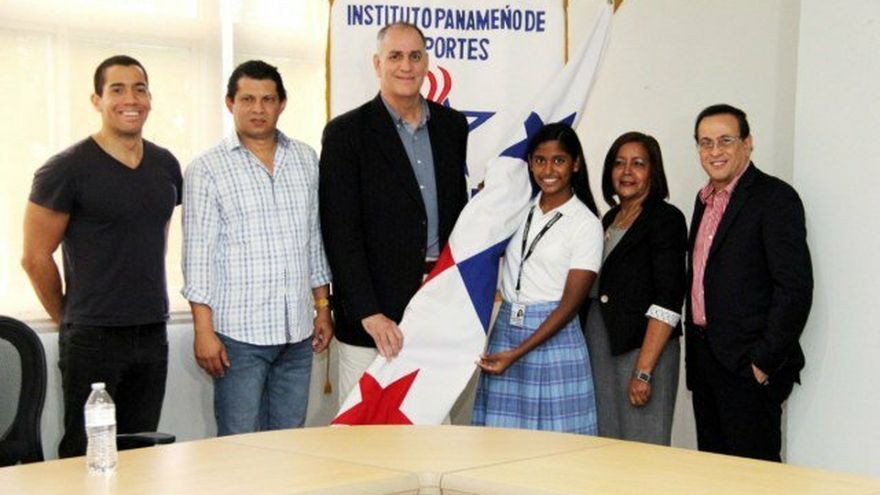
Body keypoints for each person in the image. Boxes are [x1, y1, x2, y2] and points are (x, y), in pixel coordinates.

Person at [22, 55, 182, 458]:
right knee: (87, 453)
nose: (131, 99)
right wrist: (68, 319)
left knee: (142, 450)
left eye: (139, 89)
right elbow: (35, 257)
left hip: (151, 331)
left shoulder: (165, 165)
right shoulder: (66, 169)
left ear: (149, 99)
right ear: (97, 100)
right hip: (93, 336)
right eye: (117, 89)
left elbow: (155, 234)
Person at [319, 22, 469, 404]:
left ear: (427, 63)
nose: (406, 66)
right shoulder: (345, 133)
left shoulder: (452, 127)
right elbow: (340, 232)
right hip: (371, 321)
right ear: (377, 63)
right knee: (365, 431)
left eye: (415, 56)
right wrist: (368, 311)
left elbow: (457, 216)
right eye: (395, 56)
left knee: (431, 423)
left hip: (436, 307)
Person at [182, 60, 332, 435]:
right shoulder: (207, 168)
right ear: (230, 103)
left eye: (268, 99)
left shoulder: (305, 159)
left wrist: (323, 308)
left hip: (297, 333)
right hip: (238, 336)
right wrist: (203, 330)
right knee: (239, 444)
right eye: (248, 99)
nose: (258, 109)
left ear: (282, 104)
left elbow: (313, 239)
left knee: (289, 441)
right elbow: (198, 256)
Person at [686, 104, 813, 461]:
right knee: (714, 475)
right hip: (706, 363)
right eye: (706, 142)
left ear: (748, 143)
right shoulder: (704, 200)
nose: (715, 151)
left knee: (756, 477)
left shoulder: (774, 198)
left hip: (747, 366)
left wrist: (761, 363)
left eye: (725, 140)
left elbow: (794, 288)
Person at [472, 123, 602, 434]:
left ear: (575, 164)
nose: (548, 170)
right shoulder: (517, 208)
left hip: (553, 337)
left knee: (554, 446)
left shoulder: (585, 224)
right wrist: (487, 198)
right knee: (502, 441)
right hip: (507, 329)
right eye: (540, 160)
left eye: (559, 160)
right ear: (530, 163)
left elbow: (570, 306)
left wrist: (517, 353)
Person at [581, 132, 687, 445]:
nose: (627, 171)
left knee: (643, 448)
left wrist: (643, 371)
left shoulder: (666, 219)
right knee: (606, 445)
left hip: (644, 347)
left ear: (653, 171)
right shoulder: (609, 219)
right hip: (600, 339)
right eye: (619, 163)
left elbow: (668, 299)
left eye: (638, 163)